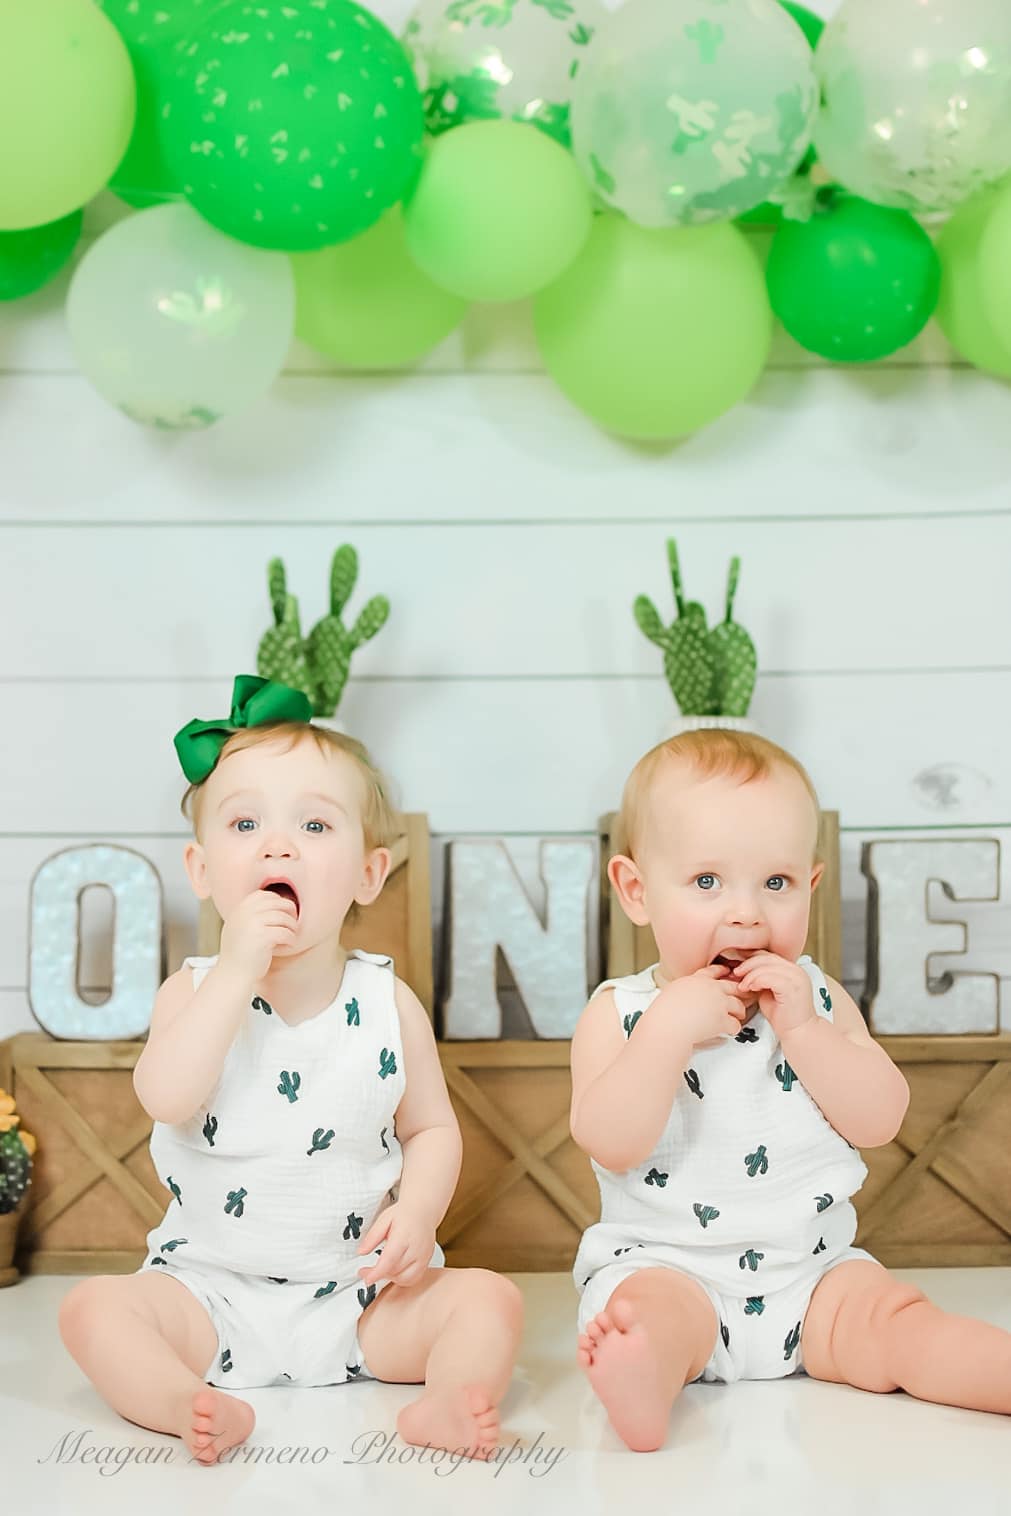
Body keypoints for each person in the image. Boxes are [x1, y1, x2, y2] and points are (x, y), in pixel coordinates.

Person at [58, 676, 522, 1466]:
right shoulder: (193, 992)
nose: (278, 847)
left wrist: (418, 1214)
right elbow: (165, 1096)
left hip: (362, 1295)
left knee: (490, 1300)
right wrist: (236, 972)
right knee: (93, 1310)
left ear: (368, 873)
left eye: (314, 824)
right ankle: (181, 1401)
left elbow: (431, 1129)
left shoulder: (386, 1001)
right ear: (202, 870)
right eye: (245, 824)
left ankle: (448, 1399)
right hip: (208, 1291)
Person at [570, 728, 1011, 1452]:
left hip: (814, 1277)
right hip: (672, 1270)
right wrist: (663, 1035)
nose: (746, 914)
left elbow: (879, 1119)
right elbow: (609, 1141)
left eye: (774, 884)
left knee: (897, 1324)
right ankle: (644, 1375)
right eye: (707, 882)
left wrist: (805, 1030)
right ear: (636, 891)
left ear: (810, 885)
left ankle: (992, 1370)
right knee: (649, 1316)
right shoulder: (619, 1013)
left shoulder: (815, 998)